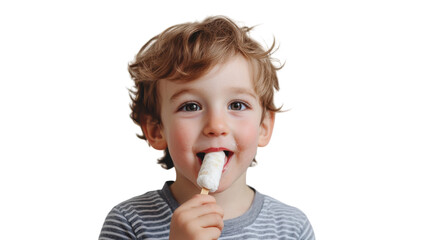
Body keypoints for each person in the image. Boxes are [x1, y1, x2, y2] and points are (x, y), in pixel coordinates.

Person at [99, 15, 315, 240]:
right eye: (191, 106)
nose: (216, 126)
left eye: (237, 105)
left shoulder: (292, 228)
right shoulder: (129, 222)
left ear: (264, 126)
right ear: (156, 129)